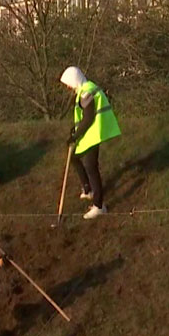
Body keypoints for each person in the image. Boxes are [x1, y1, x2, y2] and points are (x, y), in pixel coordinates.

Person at [59, 66, 121, 220]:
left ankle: (99, 206)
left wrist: (76, 136)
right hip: (88, 133)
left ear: (74, 81)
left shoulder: (87, 91)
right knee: (74, 157)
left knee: (90, 167)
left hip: (93, 133)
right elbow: (82, 117)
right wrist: (74, 130)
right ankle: (88, 190)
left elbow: (88, 119)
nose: (68, 87)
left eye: (68, 83)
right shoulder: (84, 90)